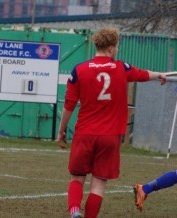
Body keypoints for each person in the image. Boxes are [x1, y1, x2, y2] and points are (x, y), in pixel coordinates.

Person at [56, 27, 167, 218]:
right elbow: (141, 74)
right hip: (109, 137)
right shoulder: (121, 68)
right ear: (110, 48)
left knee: (77, 178)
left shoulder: (79, 70)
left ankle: (75, 212)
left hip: (84, 134)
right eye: (116, 47)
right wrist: (159, 75)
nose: (117, 50)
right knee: (98, 185)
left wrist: (61, 130)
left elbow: (69, 104)